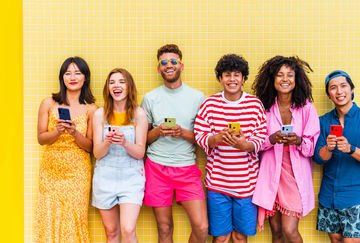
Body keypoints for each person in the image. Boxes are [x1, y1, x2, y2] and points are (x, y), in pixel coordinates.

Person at [194, 54, 267, 243]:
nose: (232, 79)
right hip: (217, 184)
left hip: (247, 185)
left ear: (243, 79)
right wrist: (215, 139)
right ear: (220, 78)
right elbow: (200, 136)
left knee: (240, 237)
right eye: (227, 75)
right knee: (221, 238)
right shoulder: (209, 105)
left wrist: (245, 145)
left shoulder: (255, 105)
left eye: (237, 75)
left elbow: (261, 137)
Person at [141, 44, 208, 243]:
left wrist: (183, 133)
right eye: (163, 62)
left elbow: (204, 138)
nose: (168, 65)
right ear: (158, 68)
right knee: (164, 228)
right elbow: (143, 140)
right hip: (156, 168)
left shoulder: (197, 97)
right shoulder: (150, 98)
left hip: (187, 167)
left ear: (181, 65)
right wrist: (158, 131)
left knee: (202, 227)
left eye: (173, 61)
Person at [251, 56, 320, 243]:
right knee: (277, 231)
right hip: (271, 174)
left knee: (290, 230)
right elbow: (254, 143)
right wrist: (272, 139)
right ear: (272, 79)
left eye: (290, 75)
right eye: (280, 75)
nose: (285, 79)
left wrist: (298, 141)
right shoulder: (263, 107)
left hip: (294, 177)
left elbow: (312, 146)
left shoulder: (306, 108)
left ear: (296, 80)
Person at [313, 70, 360, 242]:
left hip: (355, 196)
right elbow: (317, 158)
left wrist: (351, 149)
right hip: (328, 195)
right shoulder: (322, 121)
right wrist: (328, 148)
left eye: (343, 86)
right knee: (335, 240)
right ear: (329, 95)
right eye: (333, 88)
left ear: (352, 90)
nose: (339, 91)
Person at [35, 56, 97, 243]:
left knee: (74, 216)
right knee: (50, 216)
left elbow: (90, 147)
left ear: (85, 77)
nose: (73, 77)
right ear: (62, 77)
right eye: (68, 73)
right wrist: (57, 131)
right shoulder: (49, 103)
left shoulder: (92, 109)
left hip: (77, 172)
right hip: (50, 171)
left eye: (78, 73)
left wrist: (74, 133)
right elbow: (41, 138)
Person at [92, 68, 147, 243]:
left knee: (128, 229)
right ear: (108, 88)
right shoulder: (100, 114)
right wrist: (107, 142)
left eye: (122, 82)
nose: (117, 85)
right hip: (105, 176)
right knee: (111, 231)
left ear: (129, 87)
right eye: (112, 82)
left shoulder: (139, 114)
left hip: (131, 178)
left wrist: (124, 143)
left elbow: (140, 153)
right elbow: (97, 154)